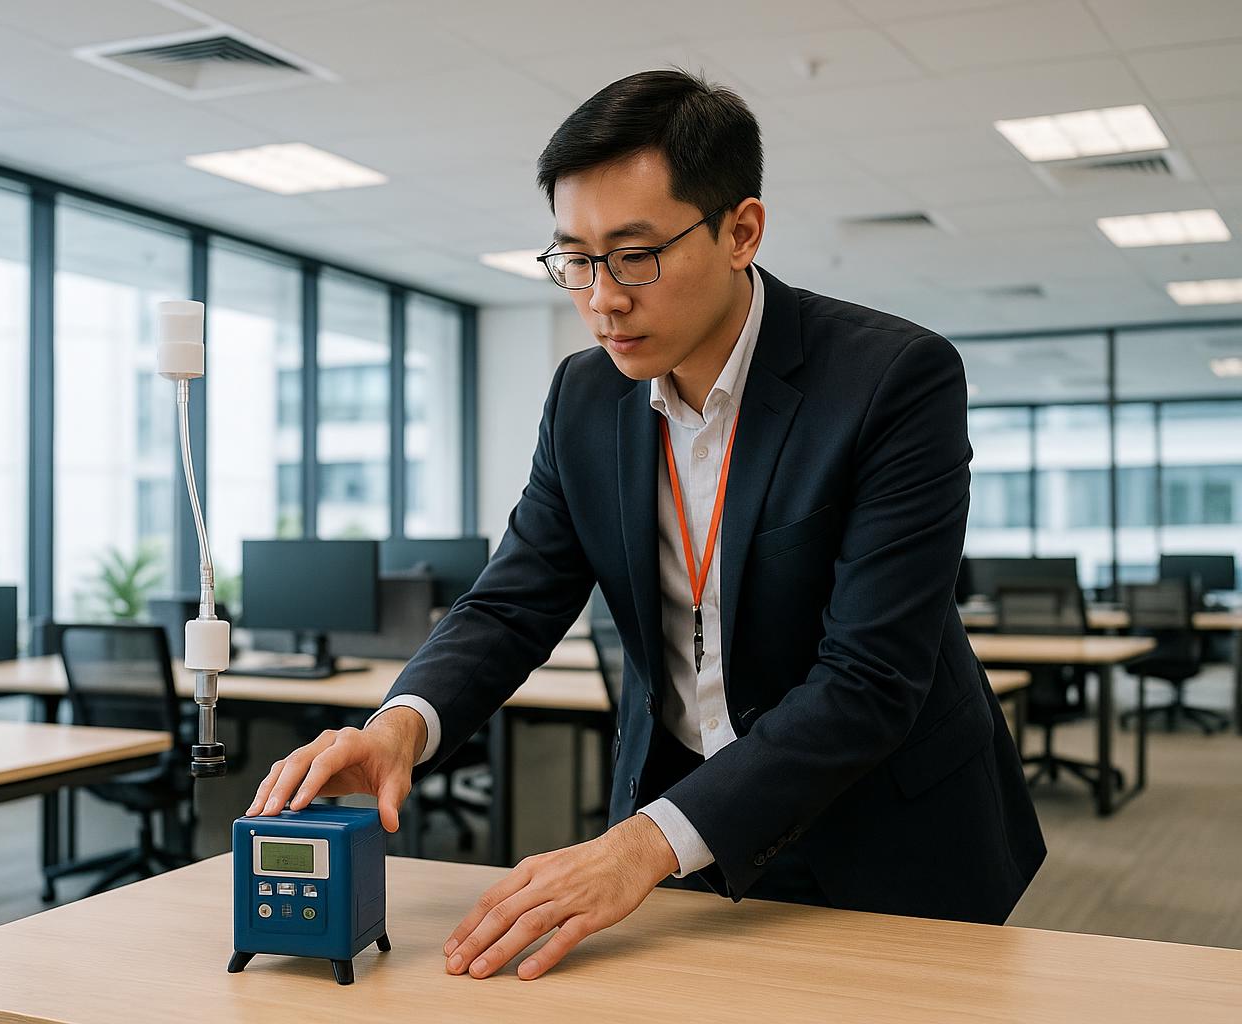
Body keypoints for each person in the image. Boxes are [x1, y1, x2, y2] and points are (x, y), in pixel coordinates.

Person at [247, 68, 1045, 982]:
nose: (603, 299)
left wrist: (640, 845)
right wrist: (400, 726)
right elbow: (511, 603)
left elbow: (869, 679)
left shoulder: (892, 380)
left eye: (634, 256)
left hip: (881, 832)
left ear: (741, 231)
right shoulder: (584, 397)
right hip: (682, 832)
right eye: (575, 260)